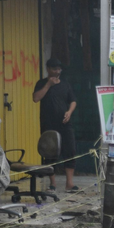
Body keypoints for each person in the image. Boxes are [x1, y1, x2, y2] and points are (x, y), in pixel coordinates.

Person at [33, 58, 77, 193]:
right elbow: (36, 98)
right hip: (48, 123)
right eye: (54, 69)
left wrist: (69, 112)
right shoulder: (41, 83)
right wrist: (48, 85)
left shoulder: (65, 84)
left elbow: (73, 101)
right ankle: (52, 183)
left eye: (59, 69)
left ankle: (69, 183)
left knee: (70, 151)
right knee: (50, 152)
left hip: (65, 123)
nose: (57, 72)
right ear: (48, 69)